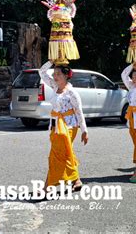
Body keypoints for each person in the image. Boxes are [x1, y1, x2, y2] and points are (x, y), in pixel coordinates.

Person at [38, 60, 88, 191]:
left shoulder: (72, 92)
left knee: (56, 154)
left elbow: (79, 111)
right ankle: (76, 180)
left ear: (66, 75)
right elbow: (42, 72)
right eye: (54, 73)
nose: (55, 76)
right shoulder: (54, 87)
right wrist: (51, 62)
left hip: (69, 127)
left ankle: (48, 186)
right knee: (66, 153)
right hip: (55, 125)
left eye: (58, 74)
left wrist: (84, 130)